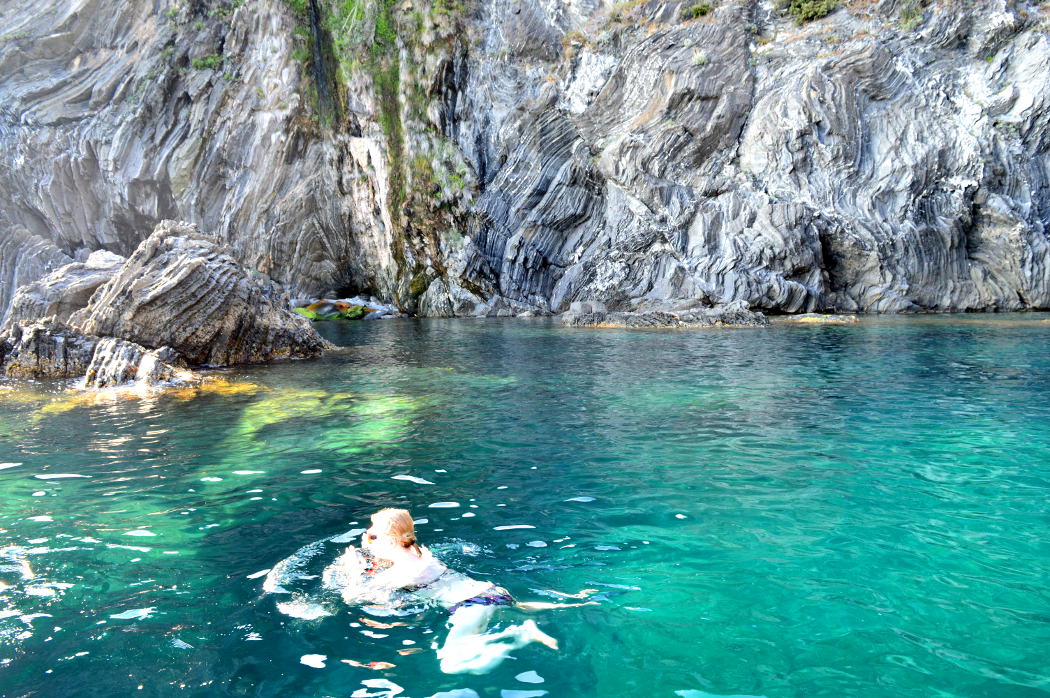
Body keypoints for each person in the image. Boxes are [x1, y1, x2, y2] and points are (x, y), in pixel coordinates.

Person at [324, 507, 596, 675]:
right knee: (517, 607)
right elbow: (391, 559)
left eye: (372, 536)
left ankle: (520, 635)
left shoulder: (403, 572)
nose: (367, 540)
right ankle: (574, 603)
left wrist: (353, 569)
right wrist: (373, 548)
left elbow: (353, 596)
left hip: (471, 605)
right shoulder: (420, 553)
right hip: (492, 591)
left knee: (450, 665)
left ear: (391, 540)